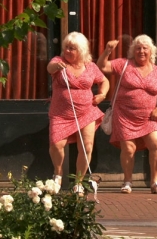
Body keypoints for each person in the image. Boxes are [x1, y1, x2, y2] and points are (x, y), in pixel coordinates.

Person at [97, 34, 157, 194]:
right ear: (133, 51)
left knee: (156, 145)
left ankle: (155, 182)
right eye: (138, 48)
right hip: (125, 115)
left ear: (151, 52)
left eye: (145, 48)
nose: (141, 51)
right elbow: (102, 67)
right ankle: (127, 181)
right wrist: (107, 51)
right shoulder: (124, 64)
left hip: (150, 117)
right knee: (129, 149)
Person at [47, 32, 110, 196]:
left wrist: (102, 94)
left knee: (87, 146)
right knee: (56, 144)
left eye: (72, 48)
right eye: (66, 47)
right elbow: (49, 68)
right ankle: (58, 174)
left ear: (81, 50)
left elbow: (104, 81)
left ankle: (79, 183)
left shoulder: (90, 66)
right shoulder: (58, 61)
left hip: (86, 112)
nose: (67, 51)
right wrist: (56, 67)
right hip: (60, 114)